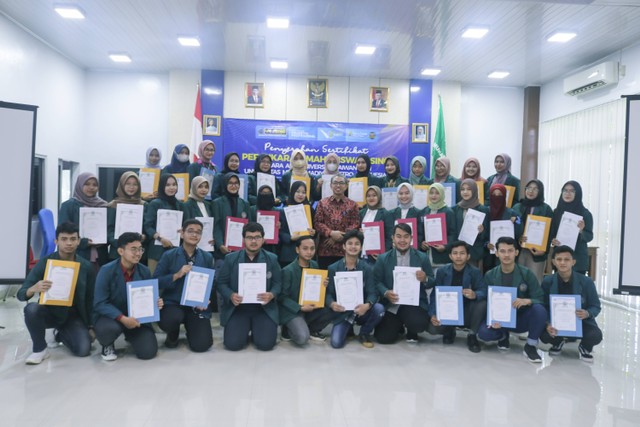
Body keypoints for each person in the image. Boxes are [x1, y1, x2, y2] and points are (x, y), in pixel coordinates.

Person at [18, 223, 95, 364]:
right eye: (64, 239)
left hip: (73, 315)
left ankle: (59, 334)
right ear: (56, 241)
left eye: (73, 239)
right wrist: (33, 288)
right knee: (31, 309)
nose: (69, 243)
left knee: (83, 350)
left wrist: (91, 326)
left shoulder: (86, 266)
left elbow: (90, 298)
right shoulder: (46, 262)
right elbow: (21, 293)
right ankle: (40, 349)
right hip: (50, 312)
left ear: (78, 241)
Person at [93, 232, 163, 361]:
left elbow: (148, 296)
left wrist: (156, 302)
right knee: (108, 329)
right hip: (112, 318)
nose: (138, 253)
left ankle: (131, 336)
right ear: (120, 251)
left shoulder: (144, 270)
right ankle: (107, 344)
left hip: (137, 318)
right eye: (133, 249)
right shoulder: (106, 270)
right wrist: (122, 318)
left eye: (140, 249)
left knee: (148, 352)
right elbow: (100, 303)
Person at [477, 237, 547, 363]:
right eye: (502, 251)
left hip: (520, 318)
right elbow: (487, 300)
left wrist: (528, 301)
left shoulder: (527, 274)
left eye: (510, 251)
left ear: (516, 252)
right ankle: (503, 335)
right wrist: (492, 319)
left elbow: (540, 298)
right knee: (484, 334)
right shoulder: (490, 275)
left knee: (539, 309)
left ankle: (530, 346)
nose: (506, 255)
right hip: (499, 319)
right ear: (497, 253)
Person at [217, 222, 281, 351]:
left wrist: (271, 294)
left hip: (263, 308)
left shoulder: (272, 259)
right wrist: (231, 295)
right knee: (233, 345)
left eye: (257, 237)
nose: (253, 241)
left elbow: (278, 283)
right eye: (249, 238)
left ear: (263, 240)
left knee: (265, 345)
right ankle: (244, 329)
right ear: (243, 240)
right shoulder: (231, 259)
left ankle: (257, 330)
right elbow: (221, 283)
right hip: (239, 308)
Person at [154, 219, 215, 352]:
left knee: (202, 345)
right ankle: (172, 333)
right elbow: (156, 281)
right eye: (190, 231)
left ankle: (192, 329)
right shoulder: (169, 255)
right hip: (173, 303)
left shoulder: (207, 257)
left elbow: (210, 284)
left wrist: (206, 299)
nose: (194, 235)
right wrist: (177, 275)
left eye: (198, 232)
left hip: (195, 305)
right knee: (171, 319)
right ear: (182, 233)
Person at [373, 223, 435, 344]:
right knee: (384, 338)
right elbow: (376, 282)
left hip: (413, 304)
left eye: (406, 236)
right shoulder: (383, 259)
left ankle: (411, 328)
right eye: (398, 236)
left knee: (418, 324)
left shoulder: (422, 258)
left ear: (411, 238)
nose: (402, 240)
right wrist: (385, 292)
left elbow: (432, 281)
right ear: (393, 238)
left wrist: (425, 278)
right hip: (392, 304)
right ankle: (399, 326)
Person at [539, 246, 602, 362]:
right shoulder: (548, 281)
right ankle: (558, 342)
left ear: (573, 262)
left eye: (567, 259)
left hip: (581, 322)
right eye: (559, 259)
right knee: (543, 335)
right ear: (553, 262)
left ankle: (585, 347)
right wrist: (548, 323)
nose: (562, 262)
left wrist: (587, 313)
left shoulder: (586, 282)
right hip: (556, 323)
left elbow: (596, 306)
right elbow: (543, 306)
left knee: (596, 335)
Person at [327, 230, 385, 349]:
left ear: (361, 247)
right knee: (336, 343)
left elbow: (372, 293)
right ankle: (348, 328)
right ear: (344, 246)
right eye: (350, 243)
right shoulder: (333, 268)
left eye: (357, 244)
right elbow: (328, 293)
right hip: (343, 312)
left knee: (379, 308)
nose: (353, 247)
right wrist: (332, 303)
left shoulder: (367, 268)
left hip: (361, 310)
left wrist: (367, 305)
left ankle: (364, 333)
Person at [427, 241, 486, 353]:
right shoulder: (442, 271)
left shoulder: (475, 272)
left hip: (467, 310)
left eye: (462, 253)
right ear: (450, 256)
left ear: (468, 256)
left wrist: (474, 294)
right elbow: (435, 293)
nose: (458, 256)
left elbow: (483, 291)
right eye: (455, 253)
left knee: (482, 303)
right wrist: (433, 313)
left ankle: (472, 335)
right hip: (448, 311)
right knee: (432, 329)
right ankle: (450, 329)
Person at [279, 236, 335, 345]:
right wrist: (300, 307)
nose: (309, 252)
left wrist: (323, 285)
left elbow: (316, 290)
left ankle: (312, 329)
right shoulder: (287, 270)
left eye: (312, 248)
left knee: (333, 308)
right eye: (305, 248)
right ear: (297, 250)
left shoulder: (314, 265)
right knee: (302, 338)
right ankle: (287, 328)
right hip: (293, 311)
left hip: (311, 307)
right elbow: (282, 297)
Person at [59, 172, 109, 267]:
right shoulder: (68, 205)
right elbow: (63, 232)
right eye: (87, 184)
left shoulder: (104, 205)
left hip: (100, 255)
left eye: (95, 185)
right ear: (79, 185)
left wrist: (104, 239)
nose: (91, 187)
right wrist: (83, 242)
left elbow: (109, 229)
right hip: (78, 254)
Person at [314, 174, 361, 269]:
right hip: (325, 250)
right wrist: (331, 233)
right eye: (335, 183)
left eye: (341, 183)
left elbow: (355, 224)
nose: (338, 185)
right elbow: (317, 223)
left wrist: (339, 236)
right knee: (326, 280)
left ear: (346, 185)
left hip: (345, 250)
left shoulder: (353, 204)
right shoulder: (322, 203)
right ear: (331, 185)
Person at [513, 179, 554, 282]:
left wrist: (544, 251)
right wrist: (518, 238)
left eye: (535, 189)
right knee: (518, 281)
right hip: (519, 250)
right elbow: (510, 229)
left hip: (536, 252)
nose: (531, 191)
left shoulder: (546, 209)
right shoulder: (517, 207)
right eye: (528, 188)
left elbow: (550, 233)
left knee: (534, 281)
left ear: (540, 191)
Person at [550, 180, 594, 275]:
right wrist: (553, 240)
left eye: (571, 191)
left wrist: (581, 230)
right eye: (565, 191)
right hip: (560, 258)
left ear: (577, 193)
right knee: (559, 288)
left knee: (577, 289)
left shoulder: (585, 214)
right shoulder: (556, 212)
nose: (567, 194)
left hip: (577, 260)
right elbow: (551, 233)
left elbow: (589, 237)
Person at [143, 174, 183, 274]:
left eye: (174, 184)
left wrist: (182, 230)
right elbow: (147, 226)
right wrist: (160, 238)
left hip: (174, 249)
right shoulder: (155, 203)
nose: (171, 187)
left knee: (172, 282)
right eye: (167, 185)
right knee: (155, 283)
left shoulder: (179, 204)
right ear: (162, 187)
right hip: (156, 250)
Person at [212, 173, 251, 263]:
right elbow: (216, 226)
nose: (233, 186)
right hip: (222, 250)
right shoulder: (217, 203)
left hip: (241, 249)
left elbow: (249, 225)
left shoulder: (245, 203)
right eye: (230, 183)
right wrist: (220, 244)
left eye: (236, 183)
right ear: (225, 184)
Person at [107, 171, 146, 260]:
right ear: (122, 185)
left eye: (135, 184)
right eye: (127, 184)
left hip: (137, 253)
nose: (131, 187)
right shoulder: (113, 205)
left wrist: (144, 236)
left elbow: (146, 227)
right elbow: (109, 230)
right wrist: (121, 244)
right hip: (117, 251)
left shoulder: (144, 205)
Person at [483, 183, 522, 272]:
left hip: (506, 254)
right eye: (494, 195)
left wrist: (516, 222)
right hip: (488, 255)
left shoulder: (512, 213)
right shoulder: (485, 212)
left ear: (504, 196)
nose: (497, 197)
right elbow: (482, 235)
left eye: (500, 195)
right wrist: (486, 244)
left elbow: (519, 234)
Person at [278, 181, 316, 268]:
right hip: (289, 252)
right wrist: (290, 238)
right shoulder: (284, 210)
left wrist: (314, 232)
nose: (300, 195)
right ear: (292, 192)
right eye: (298, 191)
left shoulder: (310, 210)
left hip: (307, 251)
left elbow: (315, 229)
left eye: (303, 192)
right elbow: (280, 232)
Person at [452, 178, 489, 267]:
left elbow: (487, 234)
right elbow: (452, 230)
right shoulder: (455, 209)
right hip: (458, 252)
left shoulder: (483, 209)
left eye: (469, 189)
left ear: (474, 190)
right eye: (462, 189)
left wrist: (481, 231)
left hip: (475, 252)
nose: (465, 192)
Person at [420, 183, 455, 269]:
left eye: (437, 193)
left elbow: (453, 233)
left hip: (442, 257)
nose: (434, 195)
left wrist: (445, 246)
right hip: (427, 255)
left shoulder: (448, 211)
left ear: (442, 194)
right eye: (431, 193)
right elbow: (420, 232)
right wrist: (422, 243)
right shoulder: (425, 211)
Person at [359, 186, 392, 264]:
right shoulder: (361, 213)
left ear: (379, 196)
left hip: (376, 257)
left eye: (374, 195)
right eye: (368, 196)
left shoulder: (385, 213)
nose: (371, 198)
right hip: (361, 256)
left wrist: (383, 253)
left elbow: (389, 237)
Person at [388, 183, 424, 250]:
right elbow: (389, 233)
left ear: (412, 194)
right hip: (394, 251)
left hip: (413, 251)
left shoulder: (418, 213)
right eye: (401, 193)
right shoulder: (391, 213)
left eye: (407, 193)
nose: (404, 196)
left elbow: (420, 235)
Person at [249, 185, 280, 253]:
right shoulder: (251, 210)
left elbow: (282, 234)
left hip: (273, 248)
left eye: (268, 193)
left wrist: (279, 227)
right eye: (263, 193)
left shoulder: (277, 212)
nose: (266, 195)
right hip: (254, 246)